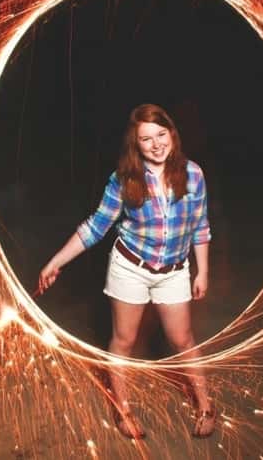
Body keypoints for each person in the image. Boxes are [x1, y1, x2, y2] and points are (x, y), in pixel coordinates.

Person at [38, 103, 215, 439]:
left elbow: (200, 226)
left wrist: (201, 272)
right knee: (124, 340)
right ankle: (123, 410)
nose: (156, 144)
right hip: (130, 269)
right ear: (136, 145)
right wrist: (55, 262)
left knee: (183, 339)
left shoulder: (193, 174)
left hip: (174, 271)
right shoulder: (123, 181)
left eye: (161, 134)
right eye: (146, 139)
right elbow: (94, 228)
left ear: (172, 134)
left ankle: (206, 405)